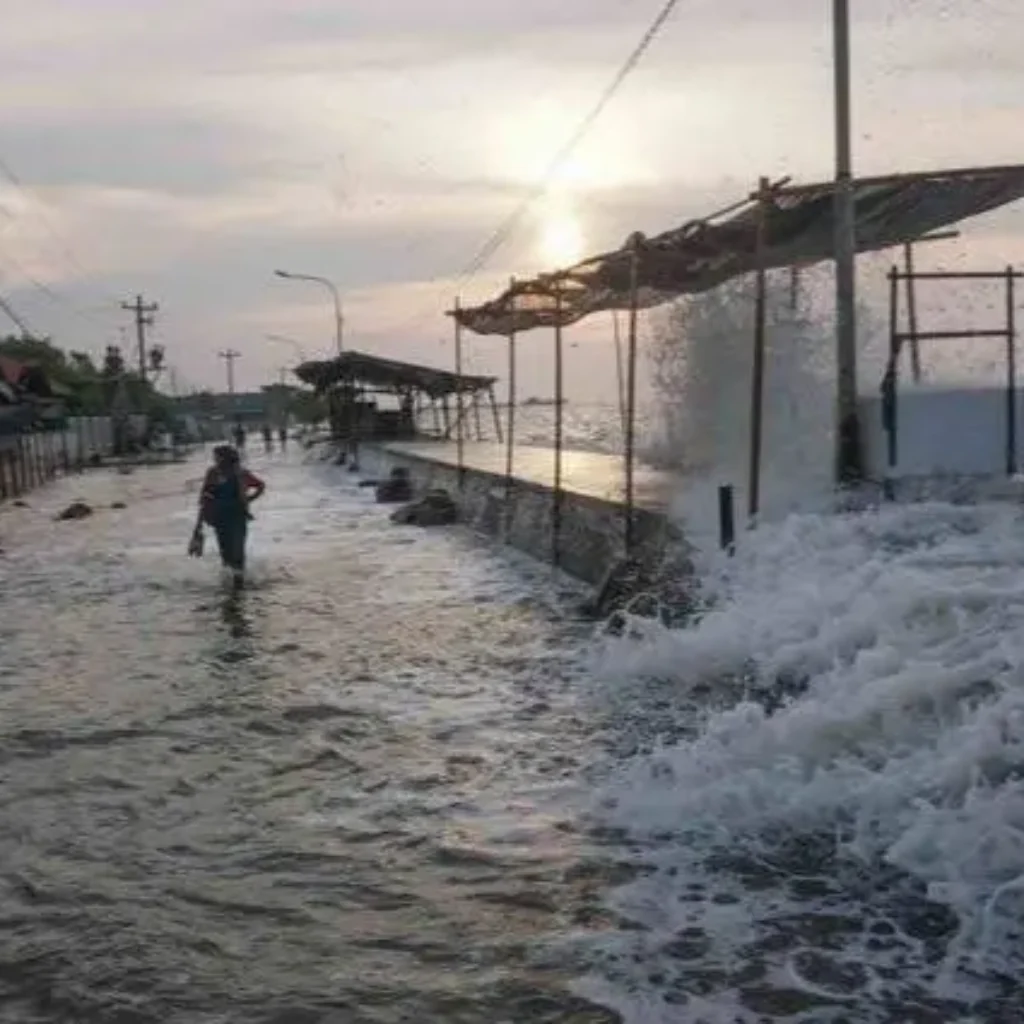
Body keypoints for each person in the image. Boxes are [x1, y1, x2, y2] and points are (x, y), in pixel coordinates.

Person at [196, 444, 265, 583]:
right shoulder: (213, 473)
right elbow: (205, 498)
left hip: (238, 516)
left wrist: (249, 499)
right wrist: (198, 526)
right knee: (225, 553)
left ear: (225, 458)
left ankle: (239, 582)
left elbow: (260, 485)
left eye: (217, 457)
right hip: (220, 518)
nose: (215, 459)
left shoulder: (241, 473)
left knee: (238, 551)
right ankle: (230, 583)